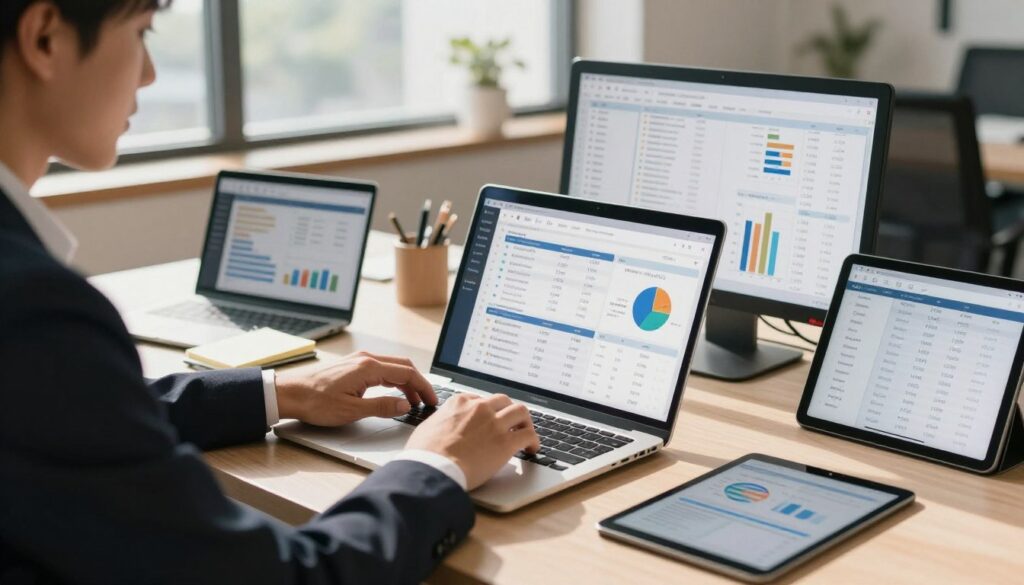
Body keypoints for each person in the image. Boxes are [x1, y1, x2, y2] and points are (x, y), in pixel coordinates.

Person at [0, 1, 540, 583]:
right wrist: (438, 464)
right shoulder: (36, 310)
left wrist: (280, 392)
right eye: (140, 32)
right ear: (46, 37)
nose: (151, 73)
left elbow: (75, 415)